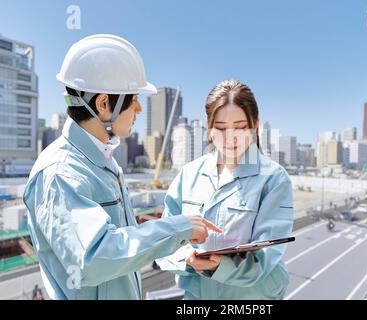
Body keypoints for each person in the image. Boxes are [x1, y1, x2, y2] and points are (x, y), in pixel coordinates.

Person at [23, 34, 215, 300]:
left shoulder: (106, 164)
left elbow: (123, 247)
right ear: (103, 104)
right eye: (133, 98)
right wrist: (178, 228)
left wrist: (181, 249)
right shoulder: (60, 173)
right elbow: (94, 258)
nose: (138, 108)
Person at [161, 79, 294, 299]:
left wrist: (217, 267)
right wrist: (187, 258)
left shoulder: (273, 178)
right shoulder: (189, 174)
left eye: (241, 127)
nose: (230, 137)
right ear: (209, 127)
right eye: (221, 128)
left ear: (255, 124)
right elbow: (165, 236)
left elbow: (266, 257)